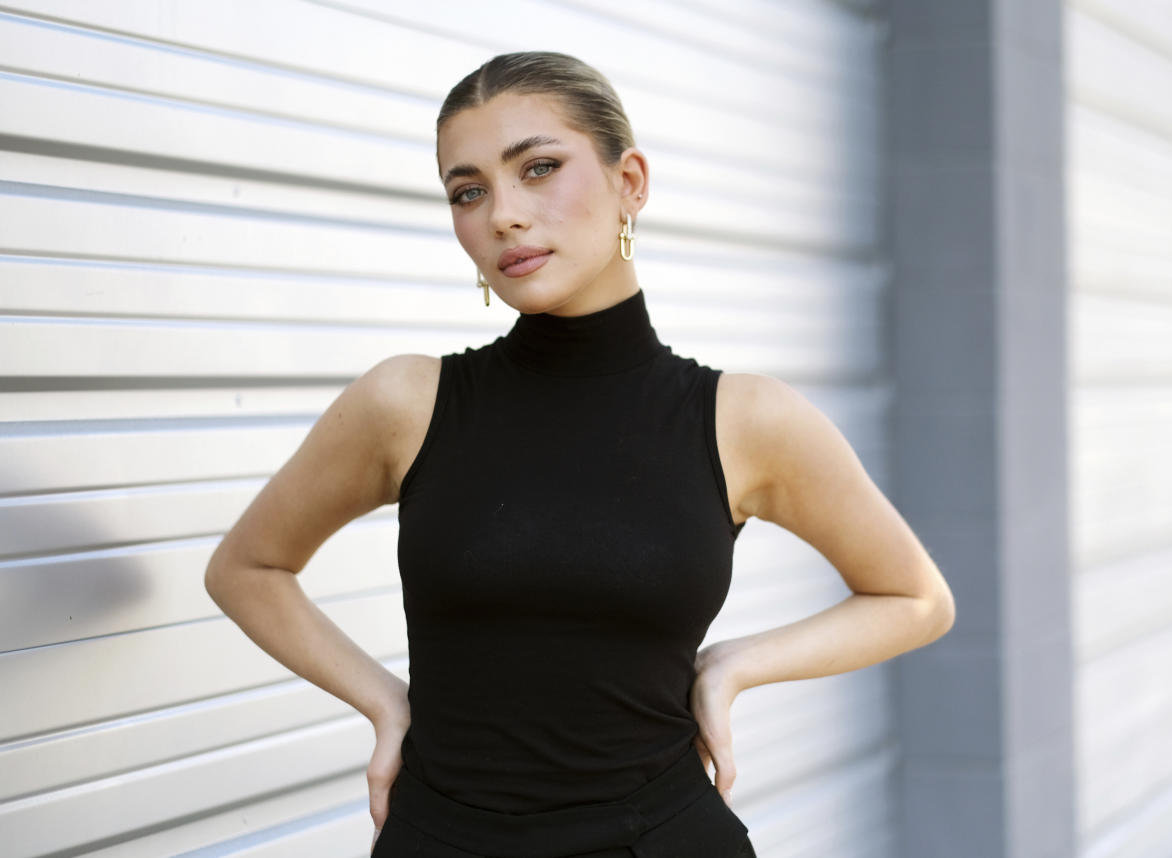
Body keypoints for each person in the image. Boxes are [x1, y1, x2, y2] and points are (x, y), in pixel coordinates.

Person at [204, 51, 955, 858]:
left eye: (539, 169)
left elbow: (914, 598)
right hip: (438, 836)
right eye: (469, 191)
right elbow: (247, 569)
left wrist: (734, 665)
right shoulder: (406, 405)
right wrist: (386, 702)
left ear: (629, 181)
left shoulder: (743, 419)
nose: (504, 216)